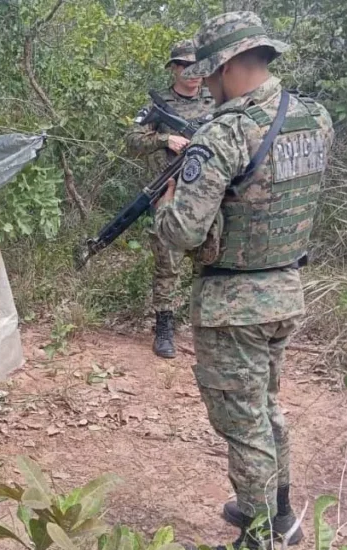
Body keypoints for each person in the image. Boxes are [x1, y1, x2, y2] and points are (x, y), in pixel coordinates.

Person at [152, 12, 334, 550]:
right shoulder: (314, 117)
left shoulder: (226, 132)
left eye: (209, 74)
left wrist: (165, 207)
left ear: (230, 67)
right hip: (285, 289)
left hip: (235, 303)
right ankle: (279, 513)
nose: (205, 84)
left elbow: (182, 230)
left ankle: (256, 546)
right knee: (267, 404)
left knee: (243, 419)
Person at [124, 40, 215, 359]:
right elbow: (132, 139)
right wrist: (167, 139)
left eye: (198, 68)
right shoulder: (158, 103)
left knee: (211, 261)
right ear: (174, 69)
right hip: (169, 192)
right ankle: (165, 326)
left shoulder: (217, 99)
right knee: (168, 263)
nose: (192, 74)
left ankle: (209, 327)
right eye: (185, 67)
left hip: (209, 193)